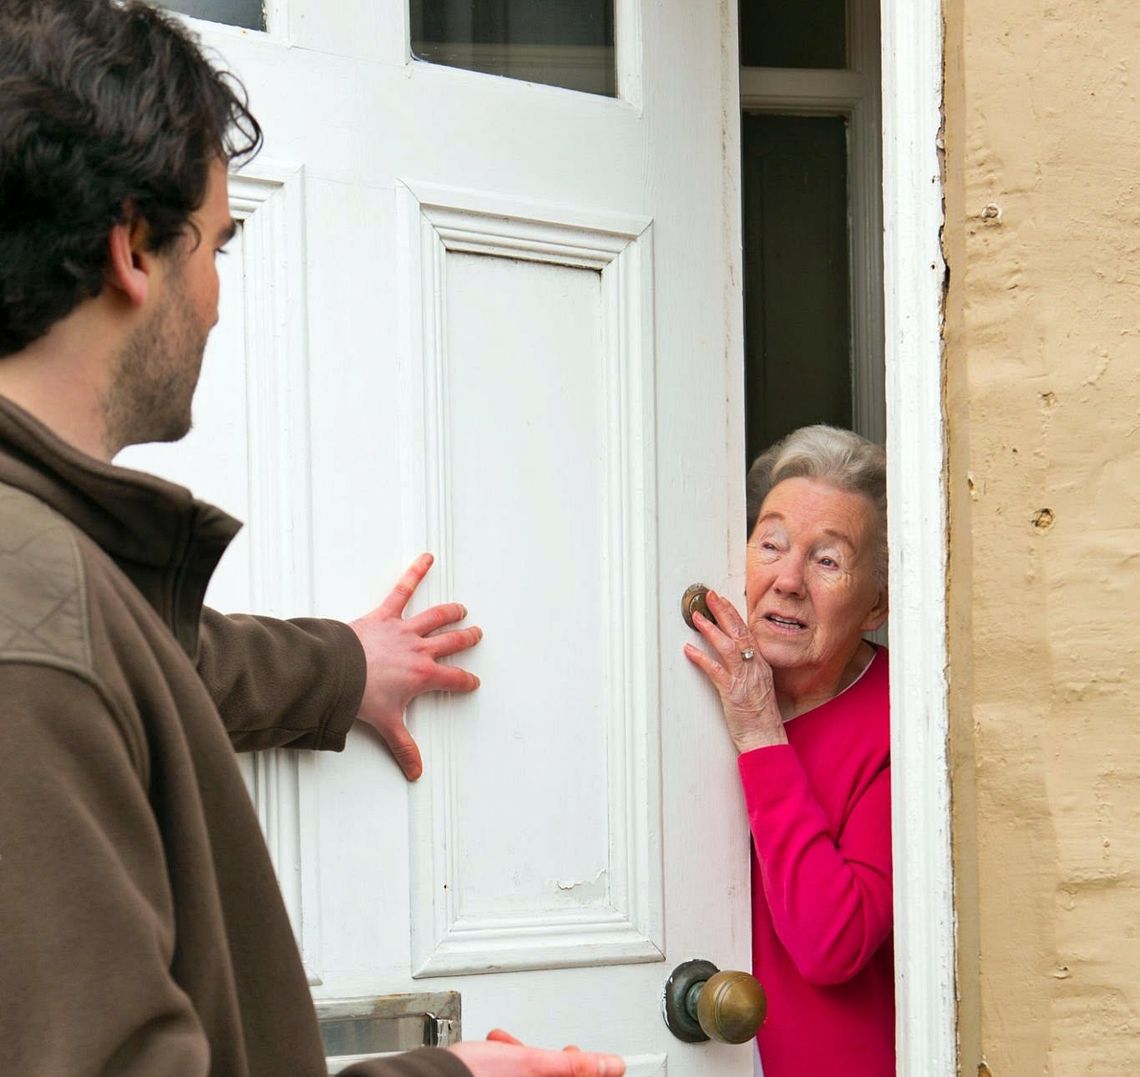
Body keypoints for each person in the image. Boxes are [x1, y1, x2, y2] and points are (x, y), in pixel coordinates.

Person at [0, 3, 624, 1076]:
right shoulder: (32, 632)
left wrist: (340, 667)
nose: (218, 300)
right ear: (130, 250)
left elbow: (155, 661)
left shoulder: (54, 585)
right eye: (218, 245)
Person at [683, 425, 893, 1077]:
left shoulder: (902, 723)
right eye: (771, 544)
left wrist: (761, 735)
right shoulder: (685, 693)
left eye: (827, 559)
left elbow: (832, 944)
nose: (788, 580)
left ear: (876, 604)